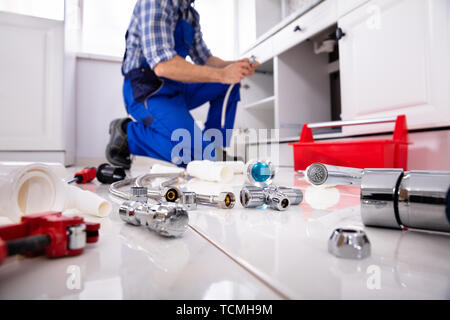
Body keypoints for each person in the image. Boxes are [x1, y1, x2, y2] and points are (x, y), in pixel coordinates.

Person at [106, 0, 259, 169]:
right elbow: (163, 66)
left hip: (176, 86)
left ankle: (213, 148)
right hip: (146, 89)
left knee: (229, 84)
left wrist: (236, 67)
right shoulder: (155, 3)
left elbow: (205, 60)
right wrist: (223, 74)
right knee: (196, 157)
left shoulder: (190, 14)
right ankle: (129, 135)